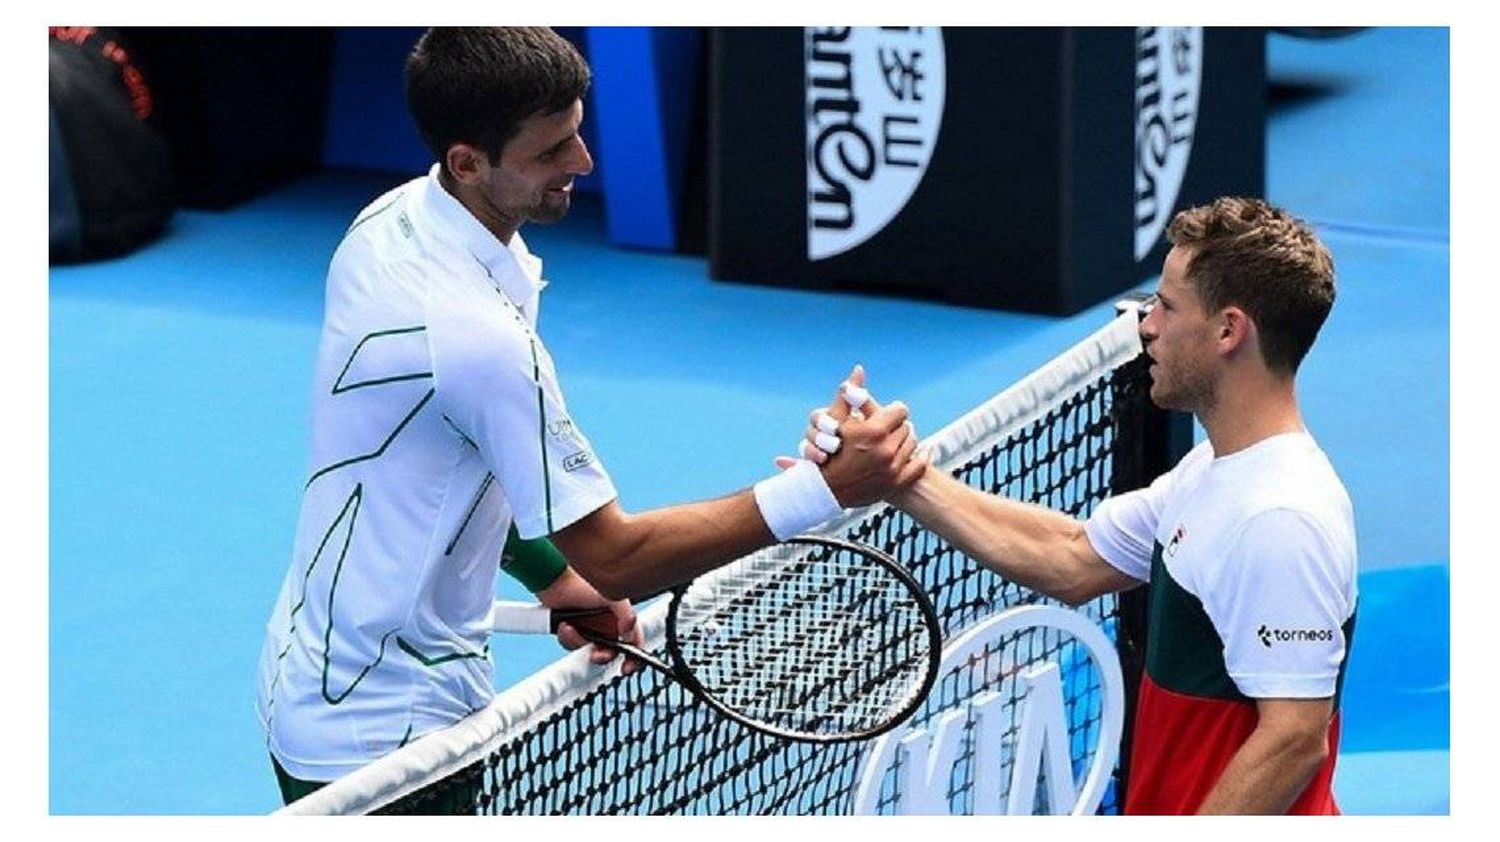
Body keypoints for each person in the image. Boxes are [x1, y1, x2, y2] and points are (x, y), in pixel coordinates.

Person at [255, 26, 923, 811]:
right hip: (390, 739)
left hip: (316, 673)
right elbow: (619, 557)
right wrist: (825, 490)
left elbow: (454, 464)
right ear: (468, 162)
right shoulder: (476, 339)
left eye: (577, 133)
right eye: (549, 153)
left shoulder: (395, 224)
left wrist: (557, 581)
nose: (583, 164)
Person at [800, 197, 1357, 815]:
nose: (1146, 325)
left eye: (1167, 307)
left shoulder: (1278, 519)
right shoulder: (1213, 471)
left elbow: (1294, 739)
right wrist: (898, 476)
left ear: (1229, 330)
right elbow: (1073, 558)